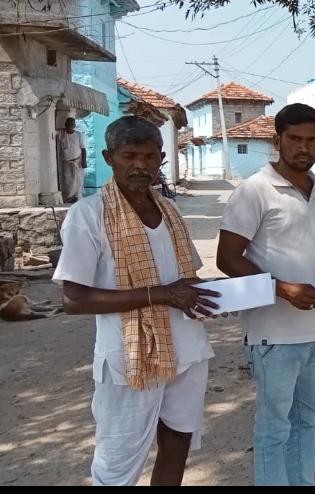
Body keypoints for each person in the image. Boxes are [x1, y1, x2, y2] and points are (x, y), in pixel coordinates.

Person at [53, 115, 220, 485]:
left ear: (162, 158)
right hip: (129, 358)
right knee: (117, 465)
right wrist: (162, 294)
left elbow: (184, 278)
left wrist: (216, 296)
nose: (141, 165)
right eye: (130, 156)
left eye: (149, 156)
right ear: (108, 157)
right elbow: (74, 299)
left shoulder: (169, 210)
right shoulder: (89, 214)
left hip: (187, 350)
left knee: (177, 445)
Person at [216, 103, 315, 485]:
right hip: (273, 336)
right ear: (277, 140)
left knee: (309, 422)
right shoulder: (255, 191)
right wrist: (282, 289)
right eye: (295, 139)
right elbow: (227, 258)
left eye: (312, 140)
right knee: (274, 428)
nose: (304, 148)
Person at [58, 117, 87, 203]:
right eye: (68, 124)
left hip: (77, 161)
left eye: (72, 124)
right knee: (67, 180)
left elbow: (83, 148)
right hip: (66, 162)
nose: (70, 126)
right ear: (65, 125)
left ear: (74, 125)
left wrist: (84, 161)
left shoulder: (78, 135)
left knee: (78, 180)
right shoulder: (62, 135)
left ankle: (77, 196)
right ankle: (69, 197)